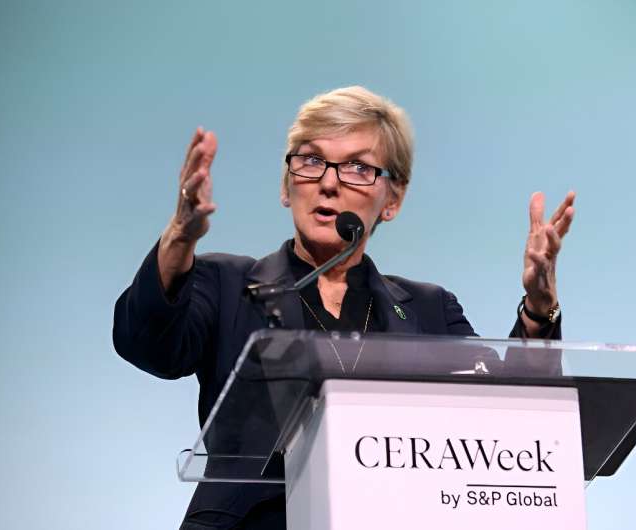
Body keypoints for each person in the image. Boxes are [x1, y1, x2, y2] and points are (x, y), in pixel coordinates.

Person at [113, 86, 575, 529]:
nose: (329, 183)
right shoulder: (228, 284)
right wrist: (178, 239)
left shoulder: (431, 310)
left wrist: (539, 310)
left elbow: (509, 419)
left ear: (393, 199)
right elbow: (148, 345)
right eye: (311, 160)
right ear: (286, 185)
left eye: (357, 167)